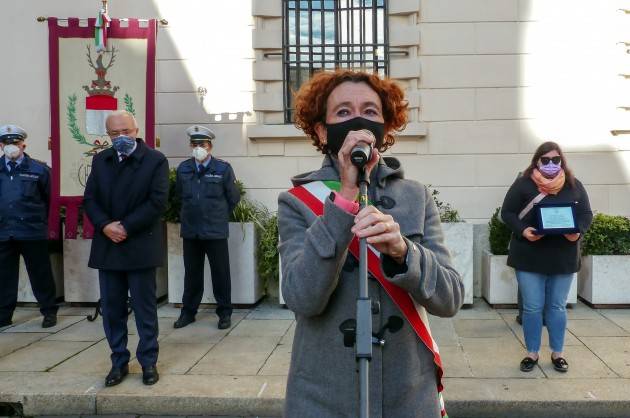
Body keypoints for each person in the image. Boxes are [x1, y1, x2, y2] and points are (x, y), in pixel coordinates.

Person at [278, 69, 464, 417]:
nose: (359, 120)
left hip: (406, 391)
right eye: (344, 112)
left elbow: (450, 297)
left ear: (386, 128)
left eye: (370, 111)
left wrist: (403, 252)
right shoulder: (297, 201)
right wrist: (345, 197)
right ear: (322, 130)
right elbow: (302, 298)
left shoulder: (416, 197)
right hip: (324, 394)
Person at [83, 110, 169, 387]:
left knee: (145, 310)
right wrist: (106, 225)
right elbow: (90, 199)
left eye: (125, 132)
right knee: (112, 310)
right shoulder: (101, 160)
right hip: (108, 246)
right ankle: (118, 362)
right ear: (107, 135)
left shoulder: (155, 160)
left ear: (136, 130)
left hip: (139, 244)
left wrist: (126, 227)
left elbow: (157, 202)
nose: (121, 138)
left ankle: (148, 362)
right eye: (114, 134)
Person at [501, 141, 592, 373]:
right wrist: (523, 230)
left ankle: (557, 353)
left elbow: (586, 214)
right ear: (537, 160)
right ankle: (532, 353)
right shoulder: (523, 184)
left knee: (557, 306)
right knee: (532, 307)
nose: (551, 164)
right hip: (529, 255)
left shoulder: (574, 185)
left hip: (563, 256)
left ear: (562, 161)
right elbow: (508, 213)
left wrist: (577, 231)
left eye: (556, 160)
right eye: (546, 160)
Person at [173, 125, 240, 330]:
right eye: (194, 144)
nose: (197, 148)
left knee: (221, 273)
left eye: (201, 144)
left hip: (215, 230)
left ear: (209, 146)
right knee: (192, 273)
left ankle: (224, 312)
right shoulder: (184, 168)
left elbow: (233, 198)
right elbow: (178, 197)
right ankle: (188, 312)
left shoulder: (223, 169)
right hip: (191, 230)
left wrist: (216, 215)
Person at [0, 124, 58, 328]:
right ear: (0, 145)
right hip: (4, 232)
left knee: (40, 273)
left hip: (32, 231)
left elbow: (51, 199)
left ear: (23, 144)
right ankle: (4, 315)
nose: (11, 146)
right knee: (4, 276)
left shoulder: (39, 169)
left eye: (15, 142)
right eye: (6, 143)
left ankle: (49, 311)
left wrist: (49, 228)